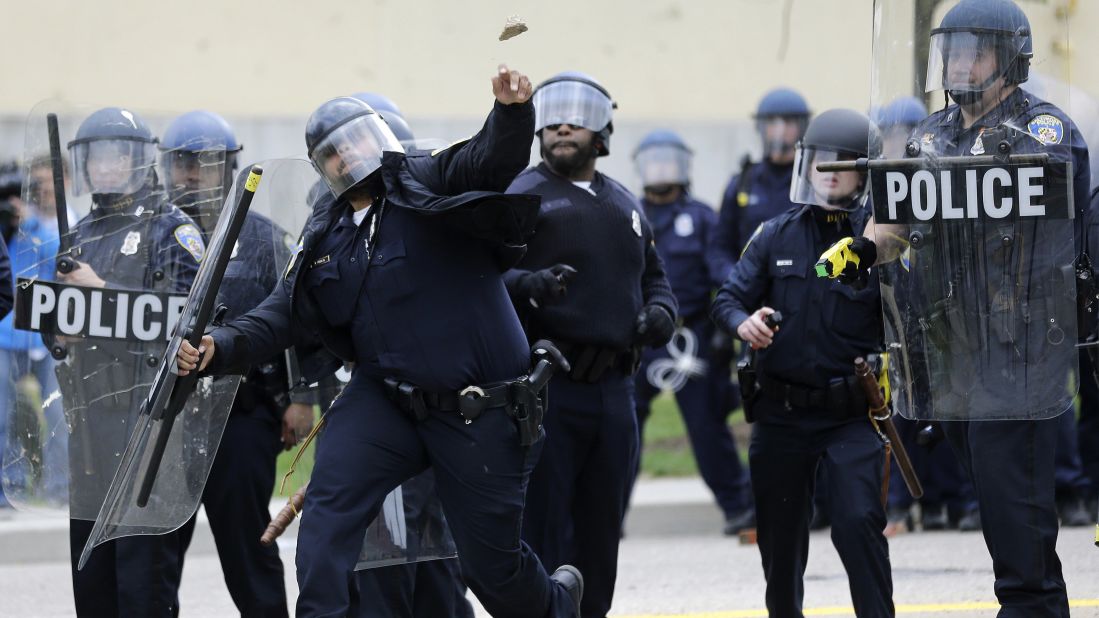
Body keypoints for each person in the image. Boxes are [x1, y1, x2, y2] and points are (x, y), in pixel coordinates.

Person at [177, 65, 584, 617]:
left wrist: (512, 112)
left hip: (479, 408)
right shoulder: (325, 232)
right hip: (385, 400)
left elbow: (490, 159)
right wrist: (218, 347)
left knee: (491, 570)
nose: (347, 157)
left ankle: (559, 603)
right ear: (322, 169)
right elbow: (283, 311)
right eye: (331, 154)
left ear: (382, 138)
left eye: (355, 141)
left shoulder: (428, 181)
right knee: (324, 520)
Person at [822, 1, 1090, 613]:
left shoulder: (1043, 131)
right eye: (954, 50)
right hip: (950, 358)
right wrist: (862, 248)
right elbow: (898, 221)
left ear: (1012, 56)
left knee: (1019, 533)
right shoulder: (931, 133)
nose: (962, 63)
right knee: (1001, 520)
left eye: (978, 50)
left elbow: (1056, 225)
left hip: (1018, 356)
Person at [504, 71, 677, 618]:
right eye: (552, 116)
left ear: (601, 131)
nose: (561, 125)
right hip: (549, 389)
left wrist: (661, 313)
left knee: (603, 530)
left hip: (616, 394)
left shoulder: (625, 204)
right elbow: (478, 279)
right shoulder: (520, 195)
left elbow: (656, 278)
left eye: (576, 117)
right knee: (544, 526)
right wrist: (524, 284)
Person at [712, 108, 894, 617]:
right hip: (782, 414)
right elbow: (727, 298)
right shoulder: (775, 234)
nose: (830, 172)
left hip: (850, 415)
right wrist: (742, 322)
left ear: (865, 172)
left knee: (858, 524)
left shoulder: (881, 242)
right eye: (820, 162)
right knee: (780, 542)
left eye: (843, 162)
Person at [160, 109, 311, 617]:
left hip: (243, 415)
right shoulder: (157, 238)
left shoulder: (266, 238)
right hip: (168, 422)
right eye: (182, 162)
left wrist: (300, 399)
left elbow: (294, 320)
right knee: (156, 553)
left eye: (205, 162)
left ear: (229, 168)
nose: (191, 173)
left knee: (249, 549)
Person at [63, 106, 204, 617]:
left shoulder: (172, 229)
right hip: (91, 432)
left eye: (116, 155)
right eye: (95, 156)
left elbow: (187, 327)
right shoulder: (77, 233)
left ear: (139, 159)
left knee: (142, 590)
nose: (104, 166)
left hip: (152, 434)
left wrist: (101, 294)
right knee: (93, 586)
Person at [628, 129, 753, 535]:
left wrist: (723, 329)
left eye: (669, 161)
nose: (661, 169)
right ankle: (605, 515)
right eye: (654, 161)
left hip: (691, 336)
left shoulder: (701, 217)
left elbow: (720, 268)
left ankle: (739, 507)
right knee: (621, 424)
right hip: (638, 337)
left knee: (706, 424)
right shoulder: (627, 212)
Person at [712, 87, 811, 279]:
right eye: (772, 122)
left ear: (802, 127)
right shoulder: (742, 182)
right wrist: (736, 281)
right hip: (750, 289)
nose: (780, 130)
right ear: (760, 127)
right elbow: (719, 248)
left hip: (800, 286)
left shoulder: (813, 182)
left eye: (789, 122)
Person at [0, 162, 45, 510]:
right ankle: (6, 488)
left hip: (33, 339)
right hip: (3, 339)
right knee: (3, 416)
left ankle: (42, 486)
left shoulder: (33, 229)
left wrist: (23, 221)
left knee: (43, 416)